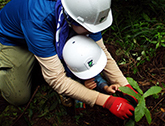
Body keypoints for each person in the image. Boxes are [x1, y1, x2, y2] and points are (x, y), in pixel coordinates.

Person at [0, 0, 137, 120]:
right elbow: (56, 78)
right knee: (18, 96)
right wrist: (105, 101)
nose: (92, 33)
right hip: (13, 40)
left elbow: (102, 51)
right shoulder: (38, 19)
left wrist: (125, 85)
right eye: (88, 29)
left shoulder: (84, 12)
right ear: (71, 19)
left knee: (75, 53)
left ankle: (47, 58)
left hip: (44, 33)